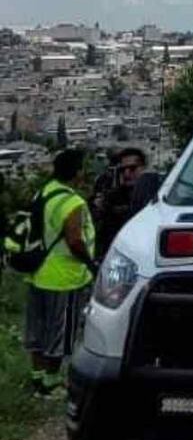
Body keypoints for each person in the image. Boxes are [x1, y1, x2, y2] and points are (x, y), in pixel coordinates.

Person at [24, 149, 96, 396]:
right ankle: (51, 384)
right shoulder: (72, 202)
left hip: (39, 273)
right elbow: (75, 240)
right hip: (65, 278)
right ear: (77, 172)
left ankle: (37, 379)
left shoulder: (43, 192)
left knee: (38, 331)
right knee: (60, 334)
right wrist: (90, 263)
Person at [95, 147, 146, 257]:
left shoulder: (155, 195)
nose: (127, 173)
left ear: (143, 168)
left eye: (132, 168)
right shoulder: (112, 197)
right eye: (123, 170)